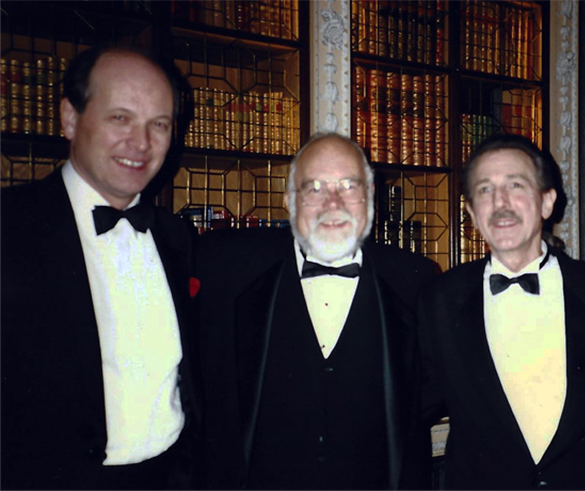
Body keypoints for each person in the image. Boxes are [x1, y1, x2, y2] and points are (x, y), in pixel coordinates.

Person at [0, 46, 198, 489]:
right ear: (70, 118)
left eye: (159, 124)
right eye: (120, 118)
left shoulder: (176, 237)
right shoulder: (9, 226)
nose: (141, 143)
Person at [195, 132, 437, 489]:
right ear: (289, 200)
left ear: (371, 196)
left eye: (349, 186)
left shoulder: (415, 280)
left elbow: (428, 396)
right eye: (314, 188)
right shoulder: (226, 269)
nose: (332, 203)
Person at [418, 133, 585, 489]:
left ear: (547, 202)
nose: (500, 202)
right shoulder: (439, 301)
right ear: (472, 213)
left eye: (515, 185)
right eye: (485, 189)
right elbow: (408, 406)